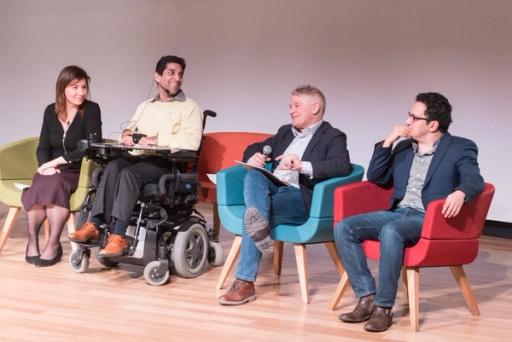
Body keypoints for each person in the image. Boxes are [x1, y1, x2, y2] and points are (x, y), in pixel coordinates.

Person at [333, 92, 484, 332]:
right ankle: (366, 296)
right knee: (344, 227)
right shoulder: (404, 147)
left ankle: (384, 308)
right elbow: (376, 177)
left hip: (429, 219)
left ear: (433, 124)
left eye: (414, 117)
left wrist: (460, 192)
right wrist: (389, 140)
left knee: (391, 231)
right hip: (398, 212)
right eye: (409, 116)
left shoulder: (460, 148)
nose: (408, 122)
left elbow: (474, 179)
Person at [218, 85, 351, 305]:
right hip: (273, 187)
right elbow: (254, 146)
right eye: (291, 106)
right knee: (253, 177)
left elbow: (341, 165)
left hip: (301, 196)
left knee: (255, 213)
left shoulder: (333, 136)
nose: (291, 110)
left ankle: (245, 281)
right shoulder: (285, 132)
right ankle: (258, 224)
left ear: (315, 107)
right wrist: (254, 158)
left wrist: (302, 165)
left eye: (297, 106)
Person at [68, 55, 203, 257]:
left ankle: (118, 236)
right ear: (157, 77)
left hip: (166, 163)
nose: (177, 78)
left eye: (180, 74)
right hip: (139, 157)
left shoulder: (190, 107)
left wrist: (154, 140)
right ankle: (94, 226)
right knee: (112, 167)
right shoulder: (146, 106)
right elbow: (130, 129)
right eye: (171, 73)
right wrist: (127, 136)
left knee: (129, 174)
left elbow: (192, 142)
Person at [22, 65, 102, 267]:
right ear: (63, 89)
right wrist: (45, 166)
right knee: (44, 179)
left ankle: (53, 244)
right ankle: (32, 240)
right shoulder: (50, 111)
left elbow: (90, 148)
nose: (81, 92)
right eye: (75, 87)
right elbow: (42, 147)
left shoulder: (92, 110)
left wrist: (57, 162)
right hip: (51, 168)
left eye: (84, 87)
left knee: (53, 182)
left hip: (76, 169)